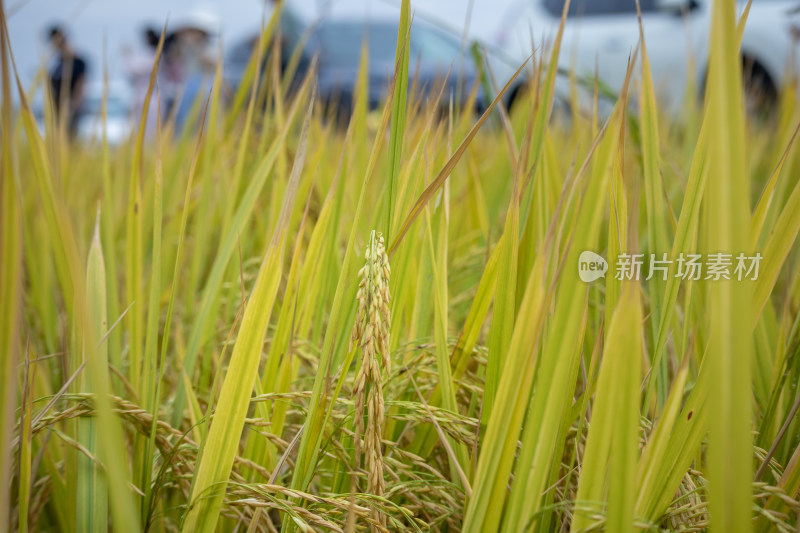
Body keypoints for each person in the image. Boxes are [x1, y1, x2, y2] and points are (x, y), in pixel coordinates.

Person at [47, 25, 88, 137]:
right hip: (57, 105)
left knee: (69, 136)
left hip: (70, 105)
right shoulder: (59, 63)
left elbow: (81, 85)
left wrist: (73, 105)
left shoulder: (78, 62)